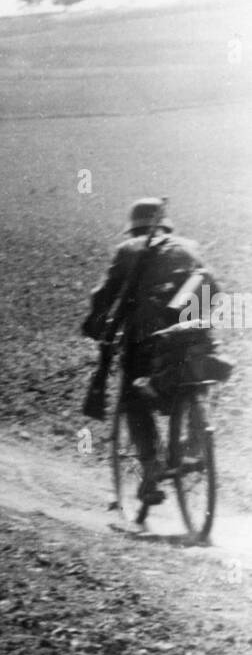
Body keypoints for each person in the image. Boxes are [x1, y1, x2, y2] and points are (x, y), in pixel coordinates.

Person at [82, 198, 215, 506]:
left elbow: (104, 296)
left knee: (132, 395)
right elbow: (207, 289)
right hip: (191, 334)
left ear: (133, 227)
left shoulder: (128, 251)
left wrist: (94, 326)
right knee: (194, 377)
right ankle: (195, 440)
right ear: (166, 224)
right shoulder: (190, 247)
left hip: (147, 341)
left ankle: (151, 470)